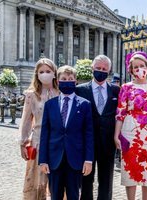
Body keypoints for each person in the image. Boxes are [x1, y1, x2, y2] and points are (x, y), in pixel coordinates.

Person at [114, 51, 147, 200]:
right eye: (135, 67)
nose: (139, 69)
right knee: (131, 169)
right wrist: (116, 135)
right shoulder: (126, 87)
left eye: (142, 66)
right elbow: (120, 112)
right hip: (129, 133)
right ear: (130, 70)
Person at [39, 65, 94, 200]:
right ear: (57, 81)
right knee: (55, 195)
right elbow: (44, 134)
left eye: (70, 78)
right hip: (54, 159)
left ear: (75, 81)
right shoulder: (49, 105)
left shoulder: (85, 104)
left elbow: (88, 134)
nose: (67, 81)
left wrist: (88, 160)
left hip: (75, 160)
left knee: (74, 195)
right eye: (63, 78)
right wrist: (43, 160)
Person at [76, 55, 120, 200]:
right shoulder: (80, 90)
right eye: (98, 68)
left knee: (106, 180)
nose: (101, 71)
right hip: (87, 142)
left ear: (109, 71)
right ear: (92, 69)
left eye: (104, 69)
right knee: (86, 179)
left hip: (108, 143)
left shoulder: (116, 90)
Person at [19, 58, 59, 200]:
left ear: (54, 73)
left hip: (57, 142)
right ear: (37, 74)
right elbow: (26, 121)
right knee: (37, 181)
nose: (45, 74)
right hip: (38, 140)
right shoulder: (31, 94)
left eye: (48, 71)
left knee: (57, 181)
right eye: (41, 72)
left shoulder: (60, 93)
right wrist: (23, 143)